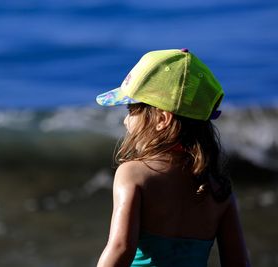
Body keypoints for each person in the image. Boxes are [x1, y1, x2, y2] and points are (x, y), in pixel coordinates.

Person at [95, 49, 250, 267]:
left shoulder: (133, 175)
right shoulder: (218, 189)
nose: (125, 121)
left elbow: (120, 249)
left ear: (162, 119)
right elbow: (238, 262)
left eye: (131, 110)